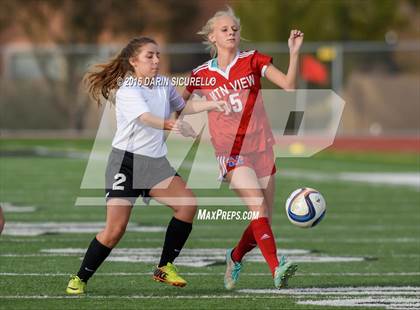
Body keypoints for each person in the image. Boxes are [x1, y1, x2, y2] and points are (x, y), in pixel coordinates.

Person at [66, 37, 227, 294]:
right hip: (125, 164)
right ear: (133, 61)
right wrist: (171, 125)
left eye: (158, 55)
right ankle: (80, 278)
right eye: (149, 56)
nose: (156, 61)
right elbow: (146, 118)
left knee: (187, 205)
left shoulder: (164, 84)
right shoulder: (128, 89)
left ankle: (164, 267)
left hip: (154, 164)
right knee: (114, 230)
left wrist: (212, 104)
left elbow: (184, 106)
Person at [183, 7, 304, 290]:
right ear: (212, 36)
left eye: (235, 29)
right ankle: (278, 267)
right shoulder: (202, 74)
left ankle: (235, 256)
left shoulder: (252, 60)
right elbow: (181, 105)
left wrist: (294, 52)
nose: (231, 33)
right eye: (224, 30)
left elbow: (288, 85)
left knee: (262, 218)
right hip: (231, 152)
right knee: (257, 206)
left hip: (262, 146)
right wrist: (208, 105)